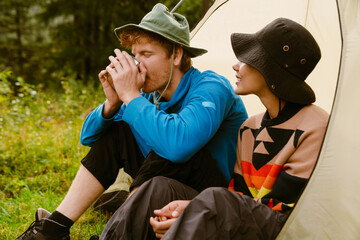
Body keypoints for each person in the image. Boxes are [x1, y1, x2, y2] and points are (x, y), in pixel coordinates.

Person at [16, 3, 247, 240]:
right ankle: (55, 227)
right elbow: (89, 137)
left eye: (146, 55)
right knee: (120, 131)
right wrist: (113, 103)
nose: (138, 65)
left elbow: (180, 146)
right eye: (135, 56)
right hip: (168, 185)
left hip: (213, 194)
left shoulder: (211, 86)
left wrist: (131, 96)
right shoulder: (150, 94)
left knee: (164, 139)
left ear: (176, 54)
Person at [97, 17, 329, 239]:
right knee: (157, 187)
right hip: (244, 217)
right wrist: (190, 207)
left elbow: (287, 207)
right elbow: (238, 196)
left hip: (286, 227)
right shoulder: (250, 127)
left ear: (271, 70)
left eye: (248, 59)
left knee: (215, 199)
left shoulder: (314, 125)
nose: (236, 65)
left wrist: (199, 209)